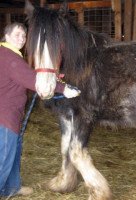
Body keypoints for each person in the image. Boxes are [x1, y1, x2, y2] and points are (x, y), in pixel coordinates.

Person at [0, 22, 80, 197]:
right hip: (4, 116)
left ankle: (12, 187)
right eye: (17, 35)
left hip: (11, 114)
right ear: (6, 36)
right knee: (4, 157)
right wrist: (64, 88)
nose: (21, 38)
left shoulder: (8, 54)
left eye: (23, 35)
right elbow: (32, 79)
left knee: (14, 152)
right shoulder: (8, 57)